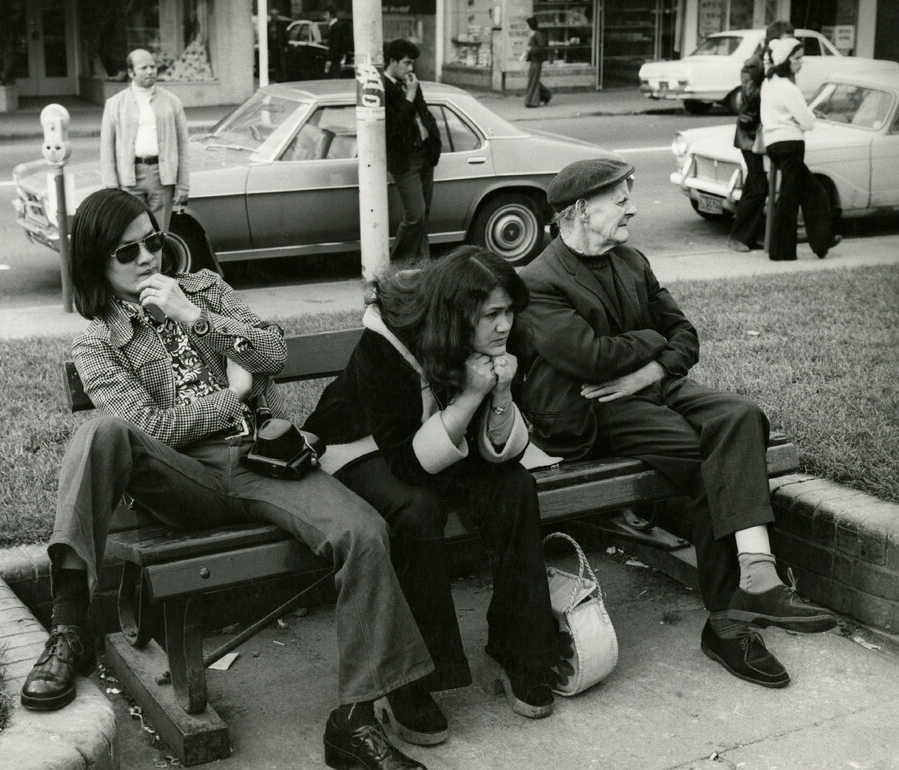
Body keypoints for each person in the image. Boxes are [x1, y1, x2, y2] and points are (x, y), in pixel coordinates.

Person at [19, 188, 434, 770]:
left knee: (363, 532)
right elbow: (150, 428)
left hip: (267, 459)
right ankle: (69, 628)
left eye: (152, 241)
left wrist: (195, 318)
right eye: (127, 251)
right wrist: (233, 394)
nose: (146, 258)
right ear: (96, 263)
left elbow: (273, 353)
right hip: (186, 477)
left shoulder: (206, 290)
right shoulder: (97, 342)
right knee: (99, 434)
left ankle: (353, 723)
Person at [515, 158, 838, 690]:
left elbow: (685, 333)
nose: (633, 208)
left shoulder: (631, 260)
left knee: (742, 416)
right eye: (620, 200)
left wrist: (651, 367)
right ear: (580, 210)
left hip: (651, 385)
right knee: (713, 458)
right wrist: (653, 341)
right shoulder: (538, 280)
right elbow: (592, 359)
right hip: (588, 410)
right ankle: (728, 624)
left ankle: (758, 574)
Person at [304, 246, 559, 747]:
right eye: (492, 314)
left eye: (509, 311)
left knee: (516, 487)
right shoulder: (386, 342)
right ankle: (411, 681)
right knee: (415, 509)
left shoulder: (505, 337)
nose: (504, 325)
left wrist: (500, 393)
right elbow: (406, 463)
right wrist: (471, 394)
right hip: (362, 445)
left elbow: (504, 452)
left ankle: (518, 651)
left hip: (441, 440)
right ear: (455, 314)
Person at [761, 38, 841, 261]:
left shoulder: (769, 83)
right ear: (786, 60)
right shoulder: (789, 88)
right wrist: (800, 120)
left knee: (810, 192)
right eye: (797, 58)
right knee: (794, 197)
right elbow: (809, 122)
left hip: (773, 143)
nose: (801, 63)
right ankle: (784, 251)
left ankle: (821, 242)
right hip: (791, 144)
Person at [100, 49, 189, 234]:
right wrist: (111, 187)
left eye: (153, 67)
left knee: (159, 234)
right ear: (131, 72)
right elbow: (106, 149)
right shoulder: (115, 104)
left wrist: (183, 184)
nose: (150, 71)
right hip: (129, 178)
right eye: (144, 68)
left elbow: (183, 147)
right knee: (132, 233)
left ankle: (159, 254)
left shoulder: (172, 102)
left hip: (162, 177)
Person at [727, 20, 794, 253]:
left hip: (764, 132)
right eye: (786, 39)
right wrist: (769, 80)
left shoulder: (778, 63)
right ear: (772, 40)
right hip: (750, 134)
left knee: (756, 185)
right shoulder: (754, 63)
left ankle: (746, 236)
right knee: (758, 186)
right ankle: (739, 237)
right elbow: (748, 95)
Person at [382, 39, 442, 263]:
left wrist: (432, 135)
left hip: (424, 154)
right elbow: (395, 128)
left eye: (412, 63)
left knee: (423, 215)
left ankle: (422, 263)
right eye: (406, 63)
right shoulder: (383, 89)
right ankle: (398, 263)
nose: (410, 68)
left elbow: (423, 112)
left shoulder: (411, 84)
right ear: (392, 61)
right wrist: (409, 96)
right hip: (405, 159)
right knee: (415, 215)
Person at [523, 16, 551, 109]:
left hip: (537, 61)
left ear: (530, 25)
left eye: (526, 25)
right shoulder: (532, 35)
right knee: (533, 80)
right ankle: (546, 95)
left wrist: (531, 50)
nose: (525, 26)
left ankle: (532, 101)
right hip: (533, 60)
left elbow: (541, 47)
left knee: (533, 80)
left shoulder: (537, 34)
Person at [323, 6, 348, 78]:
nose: (324, 17)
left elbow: (335, 45)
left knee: (335, 78)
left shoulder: (336, 27)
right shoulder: (335, 26)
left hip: (336, 60)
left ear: (331, 15)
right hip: (337, 59)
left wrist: (329, 59)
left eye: (326, 14)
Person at [268, 6, 288, 82]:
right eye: (272, 15)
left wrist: (286, 45)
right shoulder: (269, 24)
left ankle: (284, 77)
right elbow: (268, 35)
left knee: (282, 62)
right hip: (273, 45)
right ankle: (278, 77)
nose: (274, 16)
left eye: (275, 15)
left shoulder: (281, 24)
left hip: (280, 45)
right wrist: (269, 47)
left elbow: (285, 35)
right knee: (275, 62)